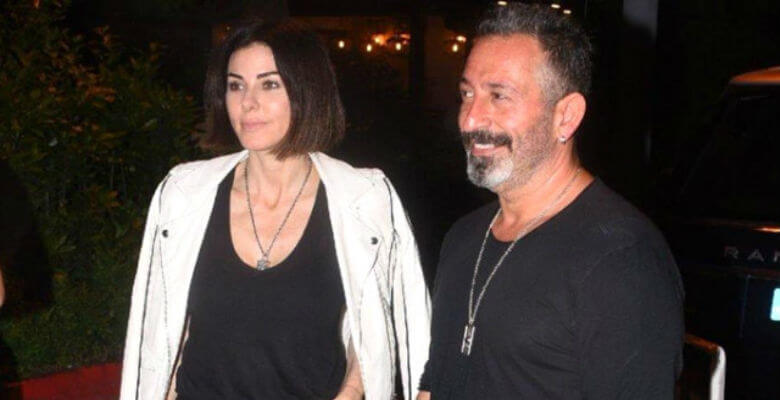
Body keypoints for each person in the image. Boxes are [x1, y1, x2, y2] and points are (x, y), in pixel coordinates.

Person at [119, 20, 430, 400]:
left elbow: (384, 326)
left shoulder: (364, 199)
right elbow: (161, 328)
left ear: (307, 92)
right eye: (236, 85)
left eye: (269, 84)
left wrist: (348, 395)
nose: (248, 102)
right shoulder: (184, 194)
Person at [418, 4, 684, 400]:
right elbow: (434, 383)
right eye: (467, 94)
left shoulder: (621, 258)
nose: (470, 119)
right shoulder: (463, 237)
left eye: (499, 96)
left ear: (566, 116)